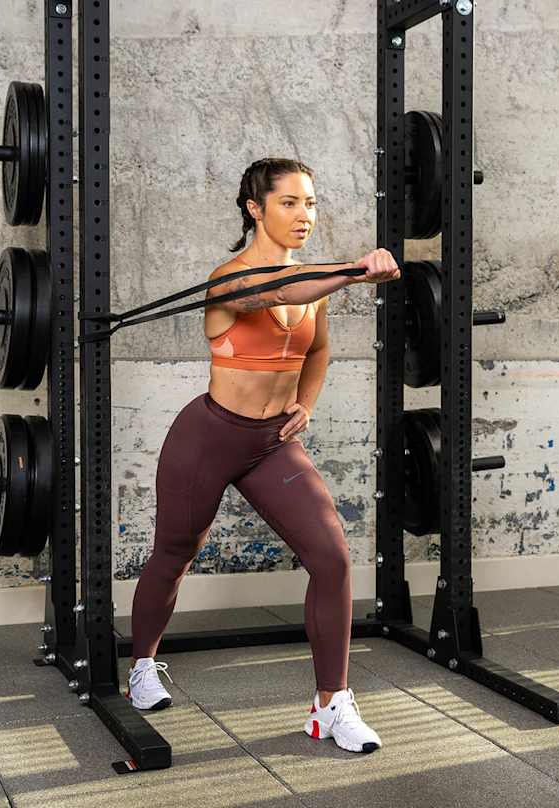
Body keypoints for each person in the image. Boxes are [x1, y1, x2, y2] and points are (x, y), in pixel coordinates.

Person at [125, 157, 401, 753]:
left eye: (311, 203)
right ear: (256, 208)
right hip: (209, 437)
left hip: (272, 444)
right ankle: (142, 665)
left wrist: (306, 402)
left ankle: (332, 705)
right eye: (290, 203)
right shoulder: (229, 279)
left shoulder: (316, 283)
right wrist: (355, 270)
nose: (305, 216)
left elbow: (319, 349)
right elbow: (281, 288)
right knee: (175, 553)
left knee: (332, 558)